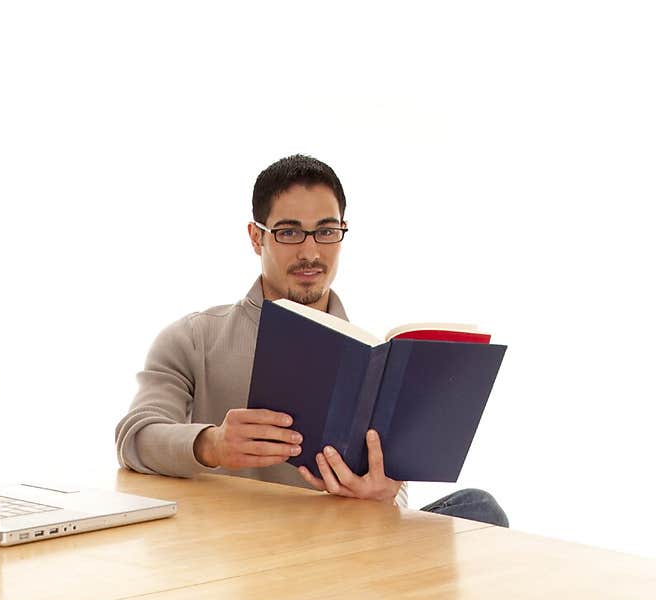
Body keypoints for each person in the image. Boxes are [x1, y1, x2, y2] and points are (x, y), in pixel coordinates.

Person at [115, 154, 508, 526]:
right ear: (257, 238)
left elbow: (392, 493)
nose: (310, 251)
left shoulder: (373, 359)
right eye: (288, 232)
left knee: (478, 507)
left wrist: (385, 493)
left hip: (342, 548)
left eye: (325, 231)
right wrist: (212, 444)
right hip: (240, 552)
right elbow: (135, 438)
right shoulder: (194, 338)